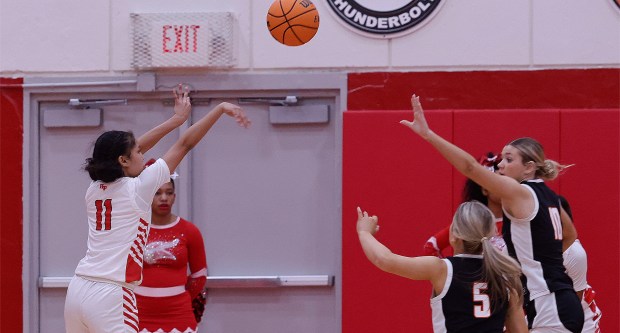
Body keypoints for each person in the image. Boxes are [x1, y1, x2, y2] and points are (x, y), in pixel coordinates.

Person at [64, 85, 250, 333]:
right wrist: (218, 109)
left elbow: (129, 150)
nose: (143, 153)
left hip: (77, 290)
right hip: (111, 294)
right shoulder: (138, 189)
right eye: (138, 152)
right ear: (123, 160)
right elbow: (184, 144)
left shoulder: (95, 188)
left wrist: (176, 119)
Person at [401, 94, 584, 332]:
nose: (500, 165)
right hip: (560, 301)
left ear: (528, 168)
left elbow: (470, 167)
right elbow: (570, 235)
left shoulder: (520, 193)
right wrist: (540, 262)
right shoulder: (551, 197)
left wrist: (428, 134)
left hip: (548, 304)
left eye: (508, 159)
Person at [357, 202, 527, 333]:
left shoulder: (442, 269)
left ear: (455, 235)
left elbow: (385, 260)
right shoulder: (506, 276)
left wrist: (364, 232)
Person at [134, 160, 208, 333]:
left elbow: (199, 275)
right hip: (139, 313)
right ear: (147, 196)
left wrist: (178, 298)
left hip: (178, 314)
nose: (164, 198)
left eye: (169, 193)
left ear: (175, 196)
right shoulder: (133, 230)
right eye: (157, 193)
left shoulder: (190, 231)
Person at [424, 152, 505, 258]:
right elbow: (431, 246)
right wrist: (449, 270)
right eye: (500, 182)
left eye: (509, 181)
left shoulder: (520, 220)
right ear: (485, 189)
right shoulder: (470, 222)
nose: (507, 186)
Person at [559, 198, 602, 333]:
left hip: (577, 316)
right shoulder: (524, 244)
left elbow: (573, 307)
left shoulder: (574, 253)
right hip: (539, 311)